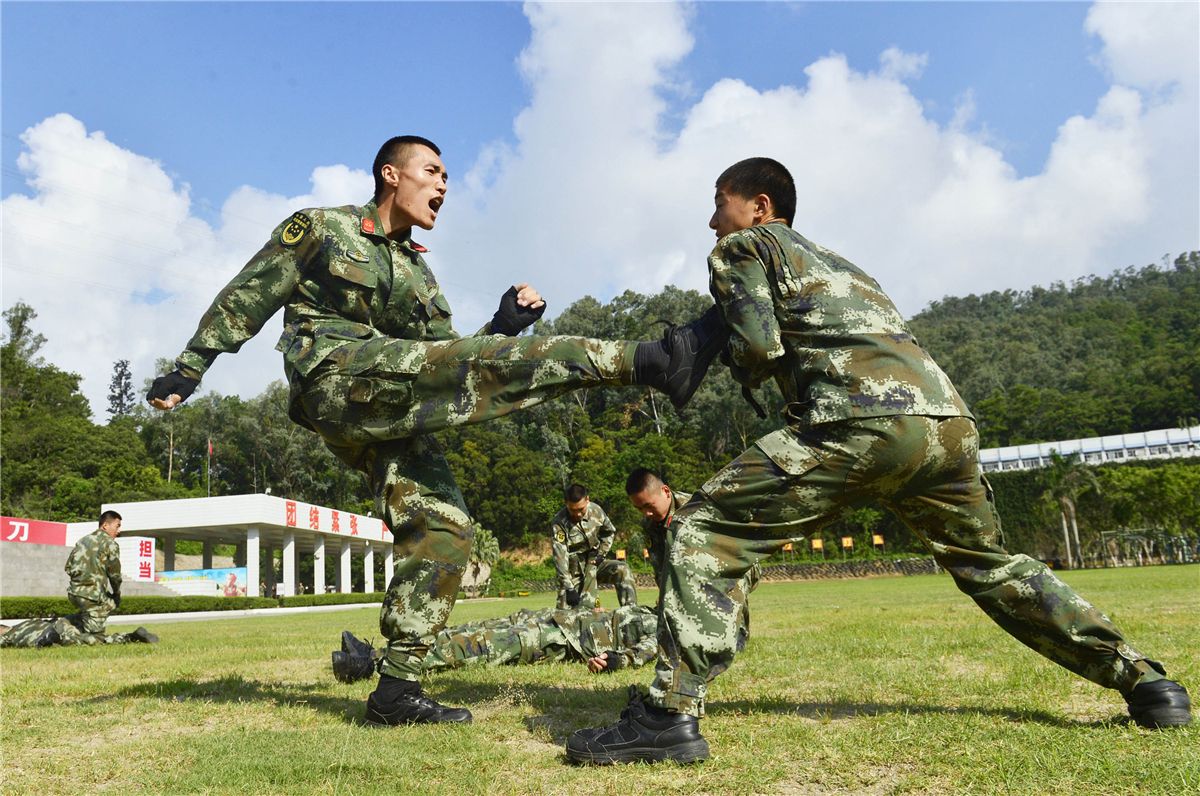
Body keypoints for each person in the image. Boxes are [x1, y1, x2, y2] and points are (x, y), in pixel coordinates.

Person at [566, 157, 1192, 764]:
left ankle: (667, 717)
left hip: (855, 421)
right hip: (946, 427)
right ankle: (1144, 681)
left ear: (760, 207)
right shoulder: (849, 268)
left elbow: (758, 345)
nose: (711, 222)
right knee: (992, 566)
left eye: (718, 204)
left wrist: (706, 352)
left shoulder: (744, 248)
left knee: (702, 528)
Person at [146, 135, 725, 726]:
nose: (444, 185)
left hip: (389, 411)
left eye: (448, 176)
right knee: (482, 369)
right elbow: (248, 294)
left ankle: (396, 688)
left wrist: (503, 325)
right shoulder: (322, 227)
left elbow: (451, 362)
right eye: (434, 171)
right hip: (337, 378)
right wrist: (189, 368)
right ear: (391, 174)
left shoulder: (420, 276)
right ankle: (653, 359)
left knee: (447, 533)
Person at [332, 605, 659, 684]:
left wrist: (614, 661)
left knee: (480, 644)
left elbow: (645, 652)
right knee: (473, 628)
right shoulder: (655, 608)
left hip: (563, 639)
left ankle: (370, 667)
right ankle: (377, 651)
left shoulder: (671, 628)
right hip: (556, 618)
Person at [0, 511, 157, 647]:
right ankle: (130, 636)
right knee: (96, 638)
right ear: (105, 526)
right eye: (117, 526)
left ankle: (61, 626)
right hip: (94, 597)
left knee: (84, 621)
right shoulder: (110, 544)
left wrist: (81, 582)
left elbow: (68, 567)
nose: (119, 531)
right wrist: (116, 593)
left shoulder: (82, 541)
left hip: (75, 594)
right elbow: (114, 574)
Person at [551, 484, 637, 609]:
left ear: (587, 500)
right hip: (574, 572)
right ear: (566, 504)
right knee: (564, 615)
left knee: (622, 569)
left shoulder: (596, 511)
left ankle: (630, 613)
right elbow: (560, 558)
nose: (578, 514)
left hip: (595, 562)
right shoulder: (559, 523)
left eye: (581, 509)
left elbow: (609, 532)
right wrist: (569, 587)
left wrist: (602, 554)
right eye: (573, 510)